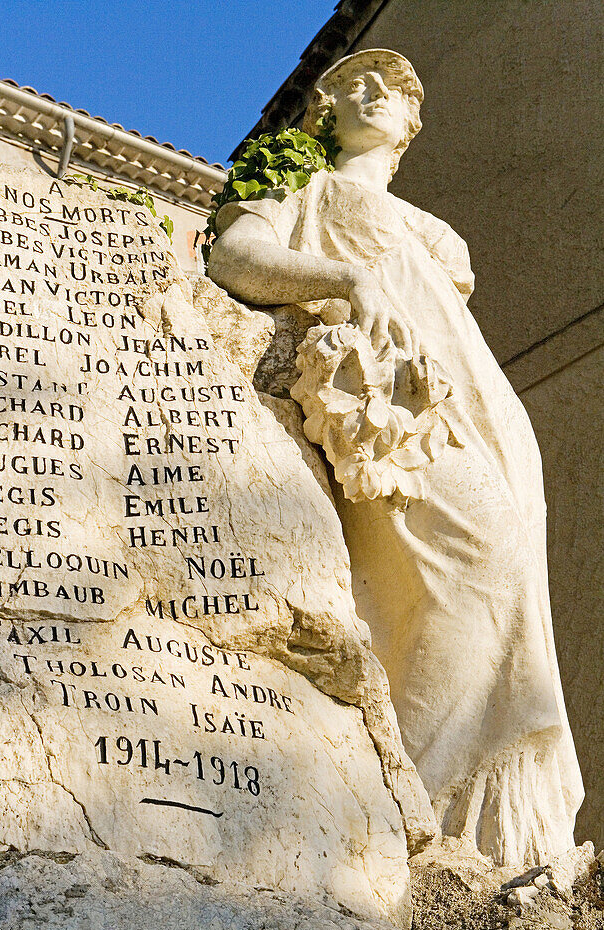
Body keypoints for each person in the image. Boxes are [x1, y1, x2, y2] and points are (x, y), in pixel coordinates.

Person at [208, 50, 583, 865]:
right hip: (387, 409)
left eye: (394, 90)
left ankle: (471, 830)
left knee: (506, 581)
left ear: (411, 125)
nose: (373, 93)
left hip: (480, 413)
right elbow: (235, 258)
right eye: (353, 85)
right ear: (322, 112)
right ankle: (413, 800)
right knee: (477, 563)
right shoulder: (300, 185)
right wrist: (344, 277)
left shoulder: (433, 233)